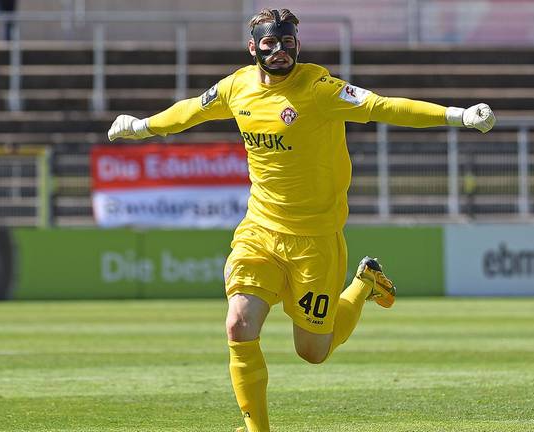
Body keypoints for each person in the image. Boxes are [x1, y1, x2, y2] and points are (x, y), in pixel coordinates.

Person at [107, 8, 495, 432]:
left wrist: (457, 115)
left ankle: (364, 284)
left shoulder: (319, 88)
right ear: (253, 47)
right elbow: (190, 112)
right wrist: (142, 127)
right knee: (238, 323)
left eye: (287, 42)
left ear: (297, 44)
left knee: (313, 351)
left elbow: (384, 107)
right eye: (269, 44)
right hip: (260, 229)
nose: (279, 51)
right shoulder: (237, 86)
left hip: (315, 240)